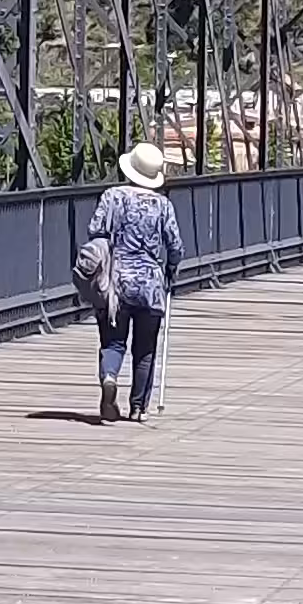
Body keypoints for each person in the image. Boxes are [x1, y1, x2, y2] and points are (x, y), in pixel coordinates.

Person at [82, 142, 180, 421]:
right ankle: (138, 408)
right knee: (145, 348)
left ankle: (109, 377)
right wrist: (171, 267)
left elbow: (95, 230)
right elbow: (175, 245)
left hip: (116, 282)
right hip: (150, 285)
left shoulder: (112, 196)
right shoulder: (163, 205)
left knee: (113, 343)